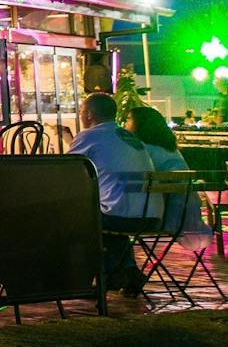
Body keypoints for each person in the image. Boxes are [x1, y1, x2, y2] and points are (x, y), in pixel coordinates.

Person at [67, 91, 159, 294]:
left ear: (89, 114)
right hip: (150, 216)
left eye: (81, 111)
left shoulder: (89, 136)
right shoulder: (129, 136)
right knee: (107, 220)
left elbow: (66, 170)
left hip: (121, 216)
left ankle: (100, 277)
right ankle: (126, 272)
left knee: (77, 219)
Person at [128, 103, 208, 235]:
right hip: (185, 212)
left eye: (129, 119)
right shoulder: (168, 148)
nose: (125, 124)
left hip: (161, 216)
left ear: (140, 124)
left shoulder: (143, 150)